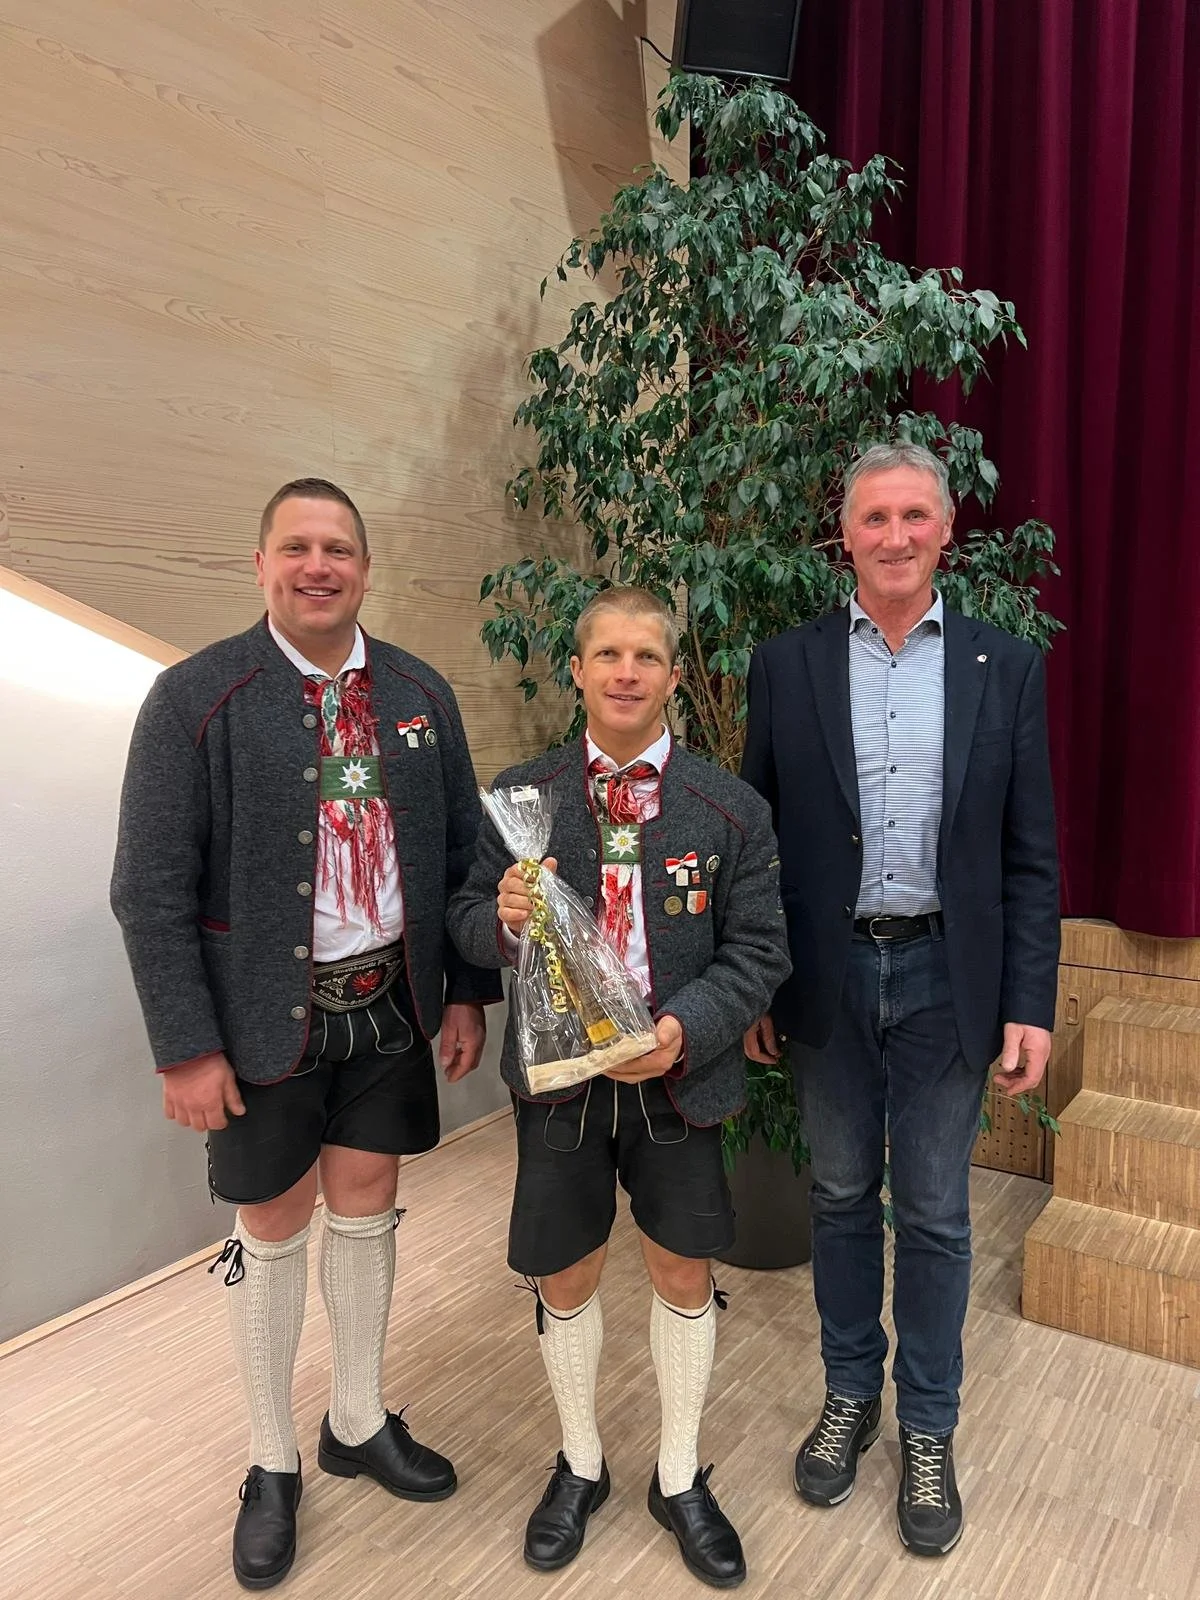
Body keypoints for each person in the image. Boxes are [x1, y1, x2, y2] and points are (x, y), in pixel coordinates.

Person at [111, 478, 502, 1590]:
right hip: (256, 1021)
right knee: (274, 1219)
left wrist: (465, 990)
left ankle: (358, 1418)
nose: (317, 566)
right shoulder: (196, 697)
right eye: (296, 547)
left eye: (337, 549)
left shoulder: (419, 693)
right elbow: (147, 888)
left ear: (365, 569)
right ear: (261, 565)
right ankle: (272, 1458)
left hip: (391, 1005)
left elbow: (466, 856)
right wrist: (185, 1046)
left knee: (368, 1201)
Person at [742, 442, 1059, 1557]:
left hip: (946, 978)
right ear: (845, 533)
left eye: (914, 515)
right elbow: (756, 842)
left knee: (933, 1212)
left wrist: (1031, 1002)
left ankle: (928, 1424)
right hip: (825, 975)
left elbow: (1030, 856)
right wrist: (757, 979)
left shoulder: (1003, 667)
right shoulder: (784, 665)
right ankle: (849, 1395)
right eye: (873, 517)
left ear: (946, 529)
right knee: (837, 1197)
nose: (893, 536)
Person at [447, 586, 791, 1588]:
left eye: (646, 656)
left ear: (674, 676)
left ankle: (678, 1476)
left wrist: (682, 1032)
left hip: (677, 1080)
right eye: (607, 654)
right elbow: (463, 921)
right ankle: (582, 1464)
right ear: (578, 670)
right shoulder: (524, 797)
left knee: (683, 1270)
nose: (626, 672)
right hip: (561, 1085)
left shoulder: (730, 808)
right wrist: (504, 919)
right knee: (565, 1273)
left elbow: (760, 951)